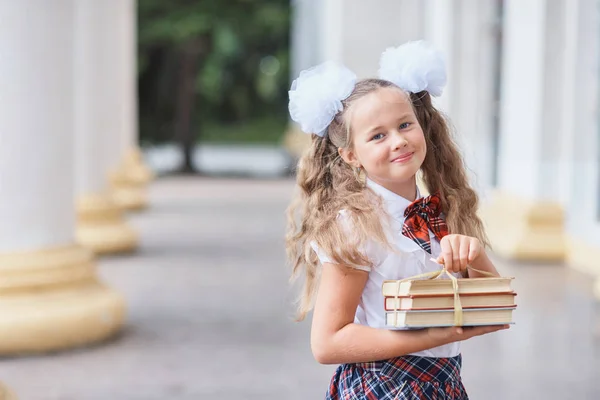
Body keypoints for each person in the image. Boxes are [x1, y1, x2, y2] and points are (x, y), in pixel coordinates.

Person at [285, 41, 509, 399]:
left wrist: (474, 254)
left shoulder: (440, 213)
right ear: (351, 155)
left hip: (443, 385)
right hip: (383, 386)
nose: (399, 141)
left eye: (405, 125)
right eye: (378, 135)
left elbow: (496, 313)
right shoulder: (356, 225)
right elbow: (327, 343)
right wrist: (437, 334)